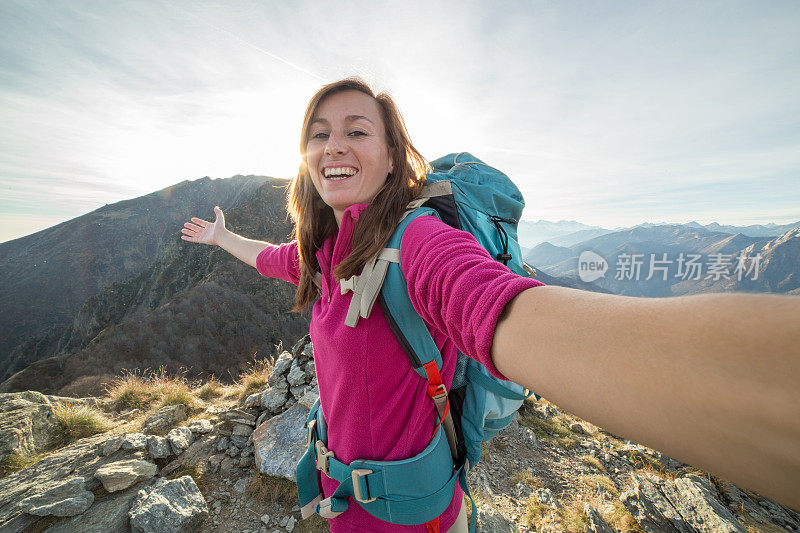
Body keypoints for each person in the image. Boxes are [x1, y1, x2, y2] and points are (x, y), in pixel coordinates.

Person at [181, 77, 800, 530]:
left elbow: (497, 307)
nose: (333, 146)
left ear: (394, 156)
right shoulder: (324, 255)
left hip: (410, 519)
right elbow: (273, 258)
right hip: (346, 503)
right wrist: (221, 238)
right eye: (319, 135)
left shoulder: (418, 242)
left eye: (356, 132)